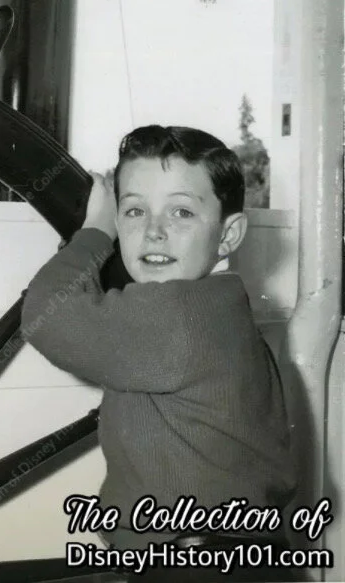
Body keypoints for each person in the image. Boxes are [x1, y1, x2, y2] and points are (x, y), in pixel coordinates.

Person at [21, 125, 298, 582]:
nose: (153, 231)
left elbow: (46, 316)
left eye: (181, 212)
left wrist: (94, 233)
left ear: (229, 235)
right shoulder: (220, 308)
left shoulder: (180, 319)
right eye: (133, 211)